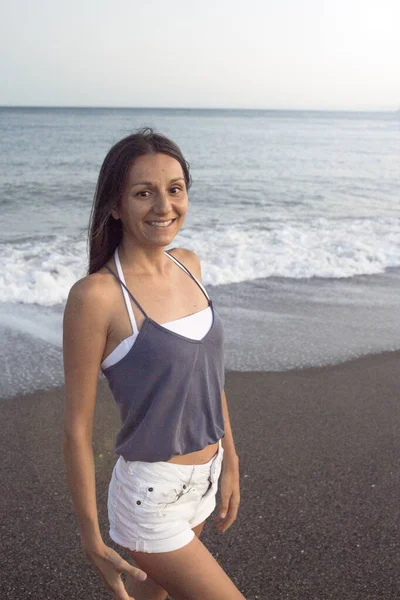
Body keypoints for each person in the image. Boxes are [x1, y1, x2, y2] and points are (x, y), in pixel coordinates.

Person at [62, 127, 244, 600]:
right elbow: (77, 428)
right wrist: (91, 537)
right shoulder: (97, 297)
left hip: (205, 479)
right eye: (144, 193)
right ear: (116, 205)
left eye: (174, 189)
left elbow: (208, 380)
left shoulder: (189, 264)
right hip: (151, 499)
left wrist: (231, 462)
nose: (164, 207)